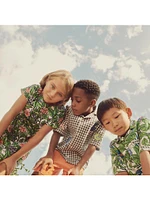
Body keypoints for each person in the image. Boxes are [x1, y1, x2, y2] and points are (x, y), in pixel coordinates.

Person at [0, 69, 74, 175]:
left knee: (4, 167)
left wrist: (14, 158)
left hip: (21, 146)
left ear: (64, 98)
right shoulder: (34, 91)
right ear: (48, 80)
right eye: (52, 86)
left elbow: (39, 136)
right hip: (5, 131)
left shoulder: (58, 112)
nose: (52, 94)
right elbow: (11, 113)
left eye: (59, 94)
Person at [32, 80, 104, 175]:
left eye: (78, 101)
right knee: (40, 171)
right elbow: (57, 132)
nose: (73, 104)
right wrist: (49, 154)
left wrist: (78, 168)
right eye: (72, 100)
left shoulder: (99, 123)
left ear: (92, 103)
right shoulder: (69, 111)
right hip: (60, 152)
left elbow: (93, 146)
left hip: (78, 162)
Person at [97, 97, 150, 175]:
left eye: (116, 117)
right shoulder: (114, 146)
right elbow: (120, 172)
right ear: (105, 128)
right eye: (108, 123)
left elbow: (145, 151)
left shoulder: (141, 123)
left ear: (128, 112)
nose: (114, 124)